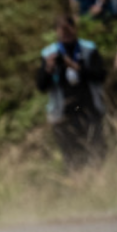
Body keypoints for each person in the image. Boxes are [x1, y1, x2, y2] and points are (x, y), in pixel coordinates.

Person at [37, 14, 108, 166]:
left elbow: (100, 75)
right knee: (71, 156)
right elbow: (41, 86)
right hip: (63, 112)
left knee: (97, 150)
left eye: (68, 30)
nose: (66, 35)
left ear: (75, 29)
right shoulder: (49, 53)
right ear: (56, 32)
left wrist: (74, 66)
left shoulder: (89, 49)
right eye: (62, 31)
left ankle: (100, 177)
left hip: (89, 107)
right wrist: (48, 69)